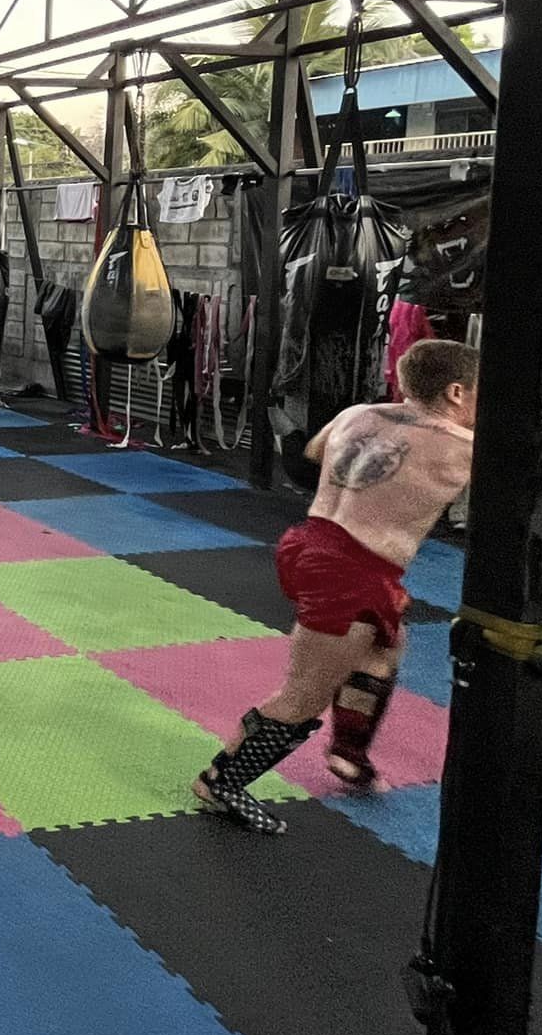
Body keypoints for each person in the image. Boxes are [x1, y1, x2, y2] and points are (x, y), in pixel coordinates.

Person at [194, 339, 478, 834]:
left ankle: (349, 753)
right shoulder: (463, 448)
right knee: (304, 694)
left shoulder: (357, 413)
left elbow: (312, 453)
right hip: (349, 572)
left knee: (385, 649)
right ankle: (221, 782)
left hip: (310, 542)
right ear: (456, 392)